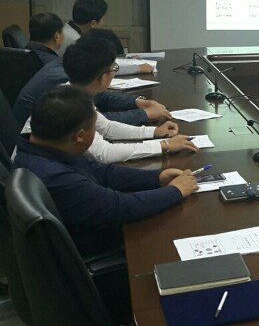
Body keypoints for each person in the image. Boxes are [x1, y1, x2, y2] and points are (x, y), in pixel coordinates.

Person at [13, 86, 198, 323]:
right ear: (80, 136)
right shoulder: (56, 177)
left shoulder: (46, 148)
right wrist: (175, 192)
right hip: (100, 262)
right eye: (95, 129)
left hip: (89, 239)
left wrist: (156, 178)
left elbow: (101, 172)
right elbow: (119, 207)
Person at [19, 34, 195, 162]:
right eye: (114, 69)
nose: (114, 73)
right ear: (103, 77)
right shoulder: (69, 104)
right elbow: (104, 154)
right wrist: (164, 145)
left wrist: (154, 132)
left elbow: (107, 127)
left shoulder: (71, 92)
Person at [13, 28, 170, 126]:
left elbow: (98, 97)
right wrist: (144, 115)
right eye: (113, 66)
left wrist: (136, 102)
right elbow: (96, 122)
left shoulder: (73, 66)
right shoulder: (63, 78)